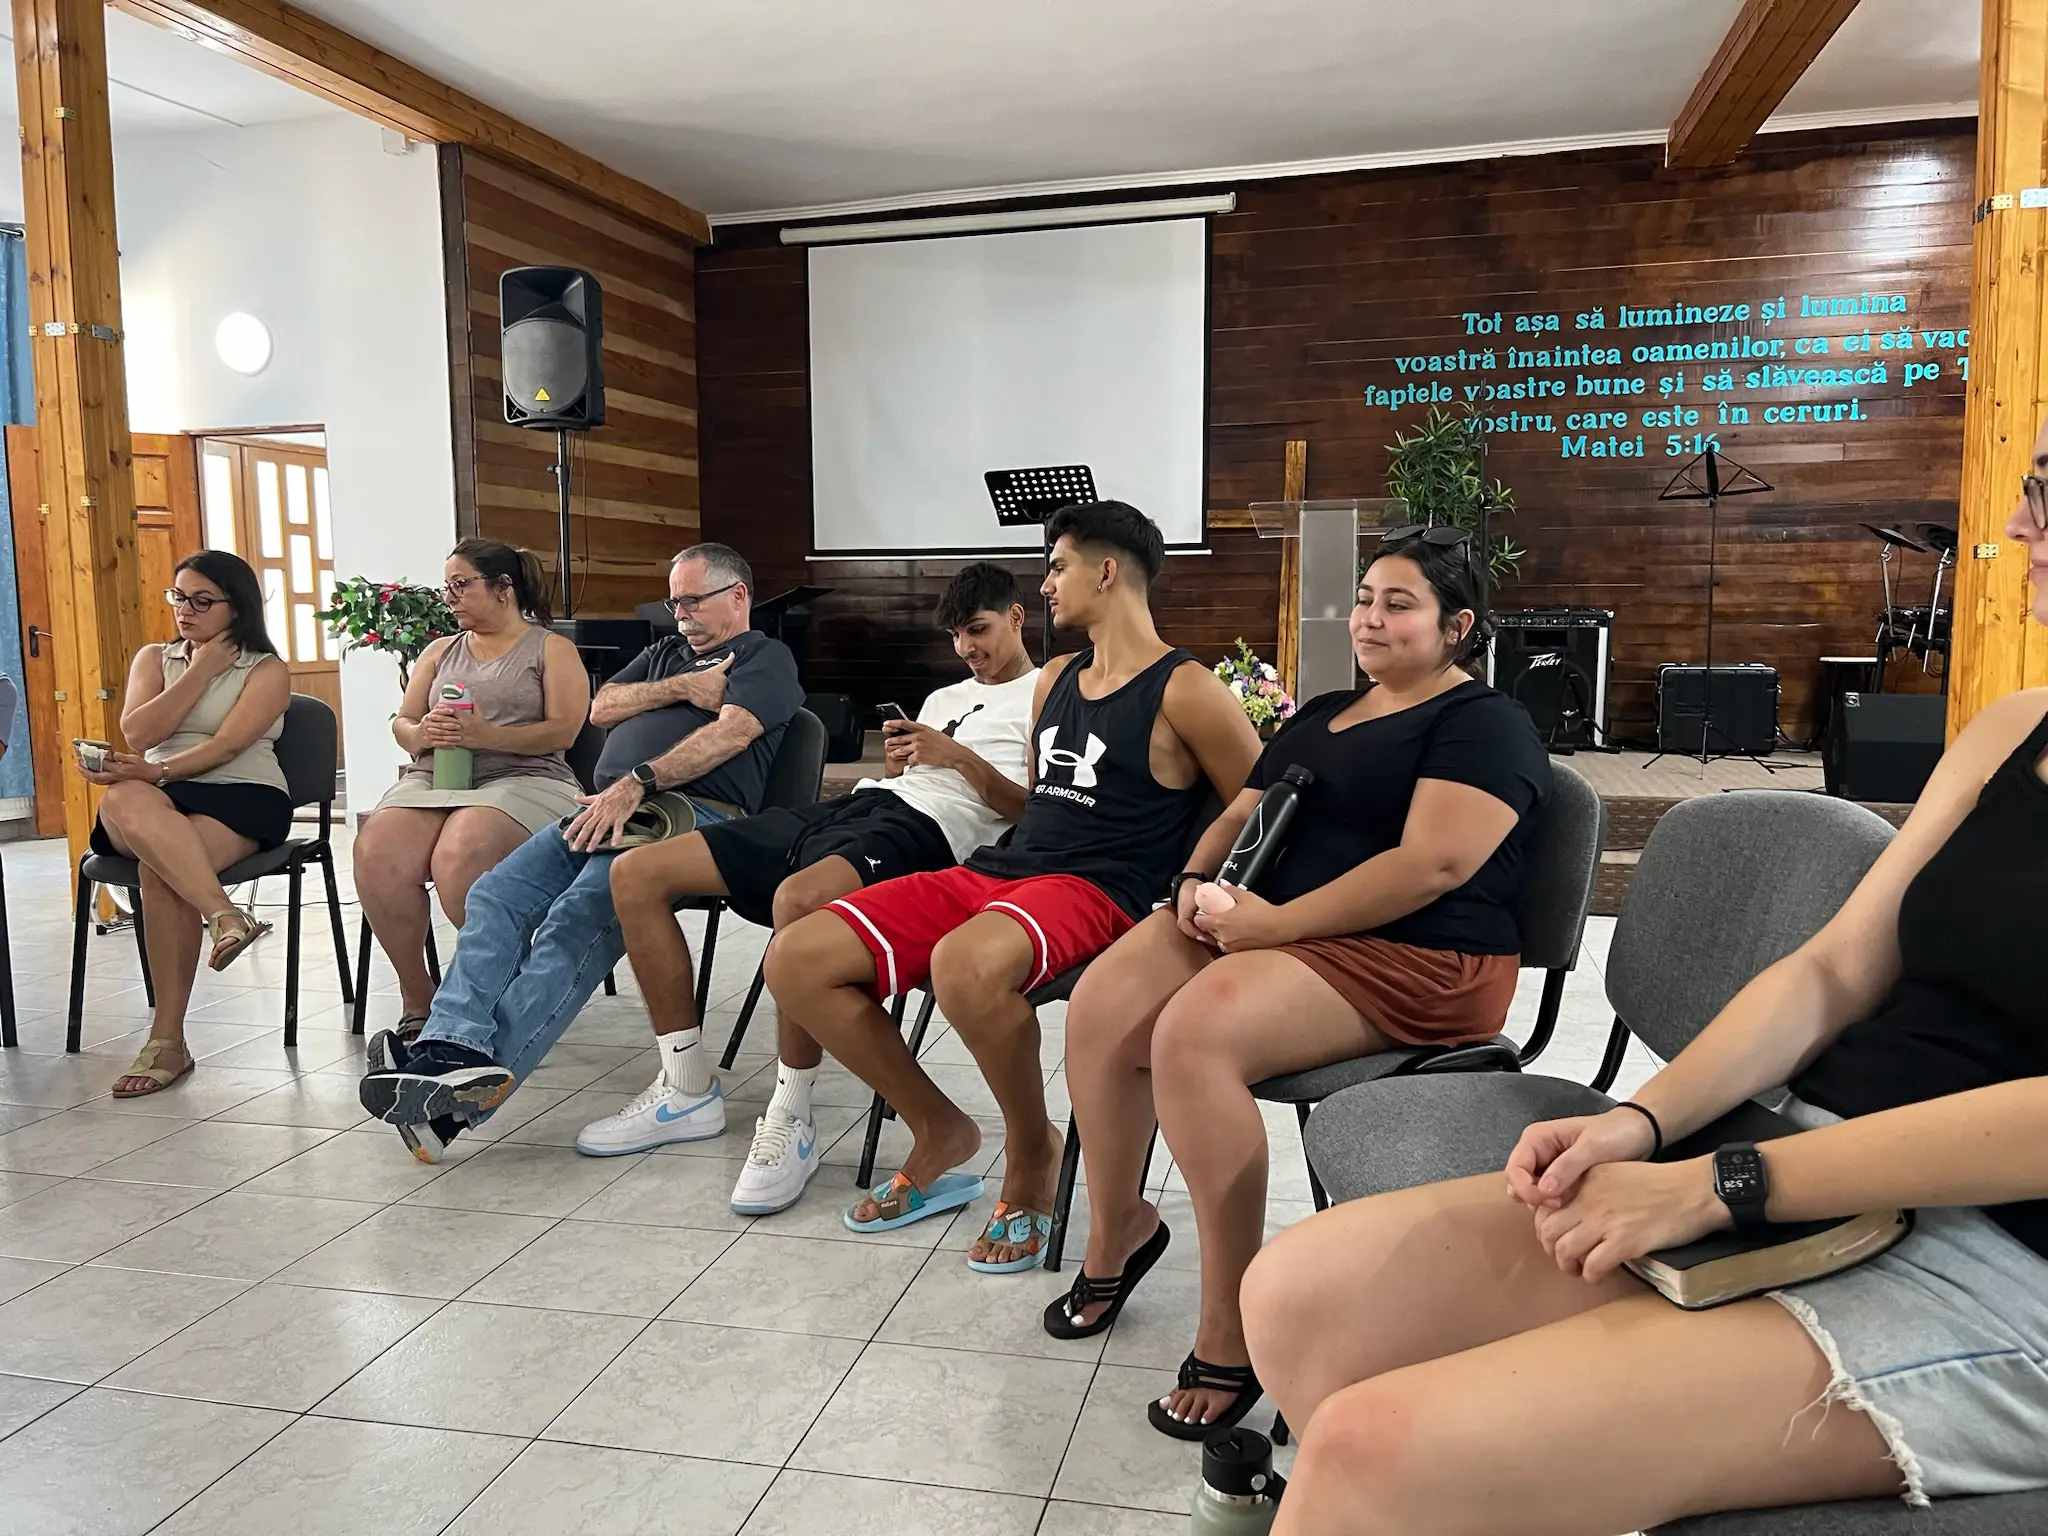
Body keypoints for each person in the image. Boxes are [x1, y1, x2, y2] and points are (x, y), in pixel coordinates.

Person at [1237, 426, 2048, 1535]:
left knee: (1372, 1451)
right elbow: (1828, 972)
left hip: (2000, 1263)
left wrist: (1728, 1183)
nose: (2013, 523)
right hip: (1806, 1155)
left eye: (2043, 491)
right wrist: (1644, 1123)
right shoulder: (2011, 731)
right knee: (1299, 1296)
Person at [1055, 528, 1552, 1438]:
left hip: (1422, 956)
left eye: (1399, 604)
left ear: (1457, 627)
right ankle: (1118, 1227)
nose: (1370, 618)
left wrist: (1276, 927)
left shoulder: (1482, 723)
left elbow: (1435, 864)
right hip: (1279, 927)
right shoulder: (1324, 710)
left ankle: (1231, 1328)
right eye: (1364, 599)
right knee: (1103, 1004)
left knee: (1194, 1033)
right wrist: (1191, 885)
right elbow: (1241, 811)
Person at [764, 501, 1261, 1271]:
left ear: (1107, 571)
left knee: (965, 964)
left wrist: (1200, 883)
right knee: (796, 958)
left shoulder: (1186, 688)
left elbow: (1258, 800)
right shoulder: (1054, 680)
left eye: (1058, 567)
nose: (1048, 585)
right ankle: (939, 1127)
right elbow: (1040, 802)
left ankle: (1032, 1153)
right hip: (1004, 869)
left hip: (1099, 887)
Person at [581, 564, 1040, 1210]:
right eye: (956, 636)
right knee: (637, 873)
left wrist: (956, 758)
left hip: (935, 834)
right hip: (866, 806)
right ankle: (685, 1088)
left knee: (797, 899)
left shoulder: (1047, 696)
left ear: (1016, 618)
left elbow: (1035, 812)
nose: (966, 648)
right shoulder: (944, 698)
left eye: (978, 631)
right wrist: (903, 762)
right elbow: (906, 781)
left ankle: (793, 1114)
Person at [357, 542, 803, 1163]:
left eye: (692, 601)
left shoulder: (764, 656)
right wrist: (683, 687)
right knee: (496, 893)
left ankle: (451, 1106)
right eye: (673, 602)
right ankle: (450, 1048)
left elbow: (730, 734)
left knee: (575, 917)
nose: (679, 614)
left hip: (688, 812)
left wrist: (639, 780)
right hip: (607, 806)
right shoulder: (667, 654)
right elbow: (603, 707)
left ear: (738, 596)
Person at [353, 539, 591, 1041]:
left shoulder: (551, 648)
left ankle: (489, 992)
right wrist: (420, 734)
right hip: (436, 776)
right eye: (448, 587)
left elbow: (564, 732)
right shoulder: (439, 651)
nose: (450, 598)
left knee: (460, 855)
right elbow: (403, 722)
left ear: (503, 588)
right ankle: (418, 998)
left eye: (461, 585)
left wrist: (488, 736)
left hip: (527, 777)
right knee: (376, 850)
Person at [78, 552, 291, 1098]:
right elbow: (139, 733)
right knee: (122, 795)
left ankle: (166, 1041)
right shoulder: (155, 659)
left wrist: (159, 770)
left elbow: (229, 746)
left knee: (160, 869)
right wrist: (200, 670)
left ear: (236, 606)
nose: (185, 610)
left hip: (240, 791)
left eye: (202, 600)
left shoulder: (266, 669)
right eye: (179, 597)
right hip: (155, 796)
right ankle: (224, 914)